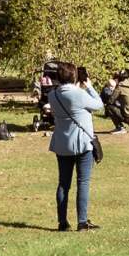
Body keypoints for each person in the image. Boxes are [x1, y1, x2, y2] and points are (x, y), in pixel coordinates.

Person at [46, 62, 102, 231]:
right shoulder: (79, 94)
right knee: (83, 182)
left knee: (63, 183)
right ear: (75, 76)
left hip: (62, 143)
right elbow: (99, 104)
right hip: (82, 142)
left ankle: (62, 222)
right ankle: (82, 222)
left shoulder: (52, 95)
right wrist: (90, 87)